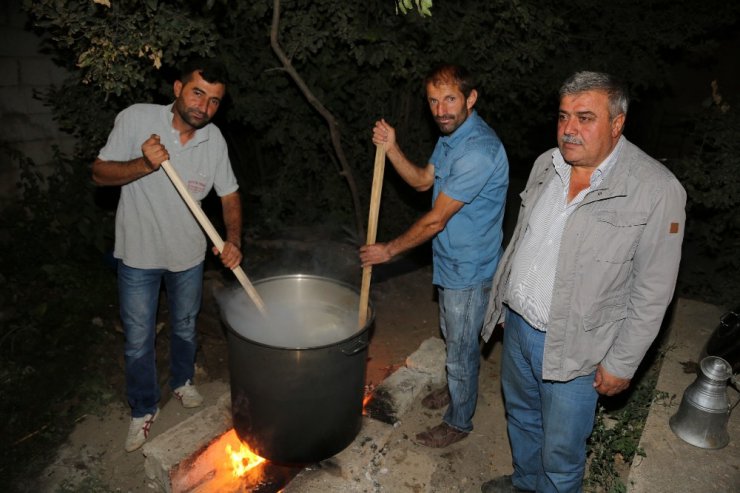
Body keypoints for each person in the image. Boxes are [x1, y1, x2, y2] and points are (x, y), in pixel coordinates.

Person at [480, 71, 686, 492]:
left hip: (579, 347)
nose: (569, 128)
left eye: (585, 117)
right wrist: (504, 301)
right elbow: (522, 240)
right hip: (518, 329)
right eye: (563, 116)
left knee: (562, 452)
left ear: (617, 123)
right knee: (521, 418)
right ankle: (524, 484)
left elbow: (653, 293)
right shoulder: (546, 165)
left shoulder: (655, 190)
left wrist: (622, 363)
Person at [92, 59, 243, 453]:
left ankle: (182, 382)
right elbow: (99, 173)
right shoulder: (137, 119)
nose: (203, 107)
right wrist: (144, 164)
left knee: (185, 326)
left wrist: (233, 239)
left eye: (214, 101)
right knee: (138, 340)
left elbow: (229, 194)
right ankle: (142, 408)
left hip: (189, 255)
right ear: (177, 88)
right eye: (197, 93)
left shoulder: (215, 141)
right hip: (139, 253)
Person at [360, 64, 509, 448]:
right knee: (453, 336)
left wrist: (388, 250)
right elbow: (423, 180)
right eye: (433, 101)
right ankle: (458, 389)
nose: (441, 109)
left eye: (450, 99)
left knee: (460, 348)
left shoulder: (478, 150)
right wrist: (392, 147)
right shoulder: (451, 136)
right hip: (450, 259)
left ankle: (459, 421)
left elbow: (436, 220)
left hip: (470, 266)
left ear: (470, 99)